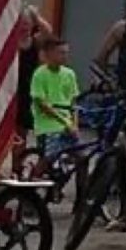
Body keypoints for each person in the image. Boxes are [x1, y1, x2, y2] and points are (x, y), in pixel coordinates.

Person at [29, 37, 80, 179]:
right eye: (61, 53)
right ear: (49, 54)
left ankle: (82, 195)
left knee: (82, 158)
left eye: (66, 53)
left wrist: (74, 124)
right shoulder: (39, 74)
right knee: (50, 156)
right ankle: (32, 180)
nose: (65, 56)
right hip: (48, 124)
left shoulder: (70, 74)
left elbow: (73, 103)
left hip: (67, 124)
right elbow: (43, 104)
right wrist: (65, 122)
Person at [13, 5, 53, 176]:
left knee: (29, 130)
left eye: (27, 23)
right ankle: (14, 165)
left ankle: (27, 165)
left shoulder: (35, 42)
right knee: (16, 132)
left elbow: (48, 32)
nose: (24, 26)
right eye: (21, 23)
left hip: (29, 89)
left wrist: (36, 16)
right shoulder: (11, 41)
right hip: (14, 89)